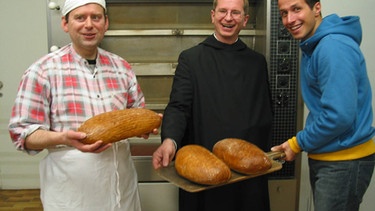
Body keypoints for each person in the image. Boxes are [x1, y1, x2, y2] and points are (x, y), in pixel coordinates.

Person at [8, 0, 157, 210]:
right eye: (80, 18)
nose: (89, 25)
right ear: (65, 24)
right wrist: (63, 138)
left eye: (96, 17)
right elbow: (21, 134)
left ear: (105, 23)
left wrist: (144, 127)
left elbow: (137, 114)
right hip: (72, 194)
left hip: (121, 189)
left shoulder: (122, 67)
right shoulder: (42, 71)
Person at [152, 0, 273, 210]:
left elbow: (264, 115)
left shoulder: (257, 63)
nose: (228, 18)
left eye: (235, 13)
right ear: (212, 15)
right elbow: (178, 107)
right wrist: (170, 140)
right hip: (203, 169)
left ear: (245, 20)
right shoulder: (191, 59)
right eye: (223, 11)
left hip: (246, 174)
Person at [272, 0, 375, 210]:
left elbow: (338, 116)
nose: (289, 20)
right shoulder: (314, 45)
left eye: (296, 9)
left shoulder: (331, 47)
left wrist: (296, 143)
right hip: (332, 156)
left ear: (316, 8)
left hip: (344, 160)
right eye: (284, 13)